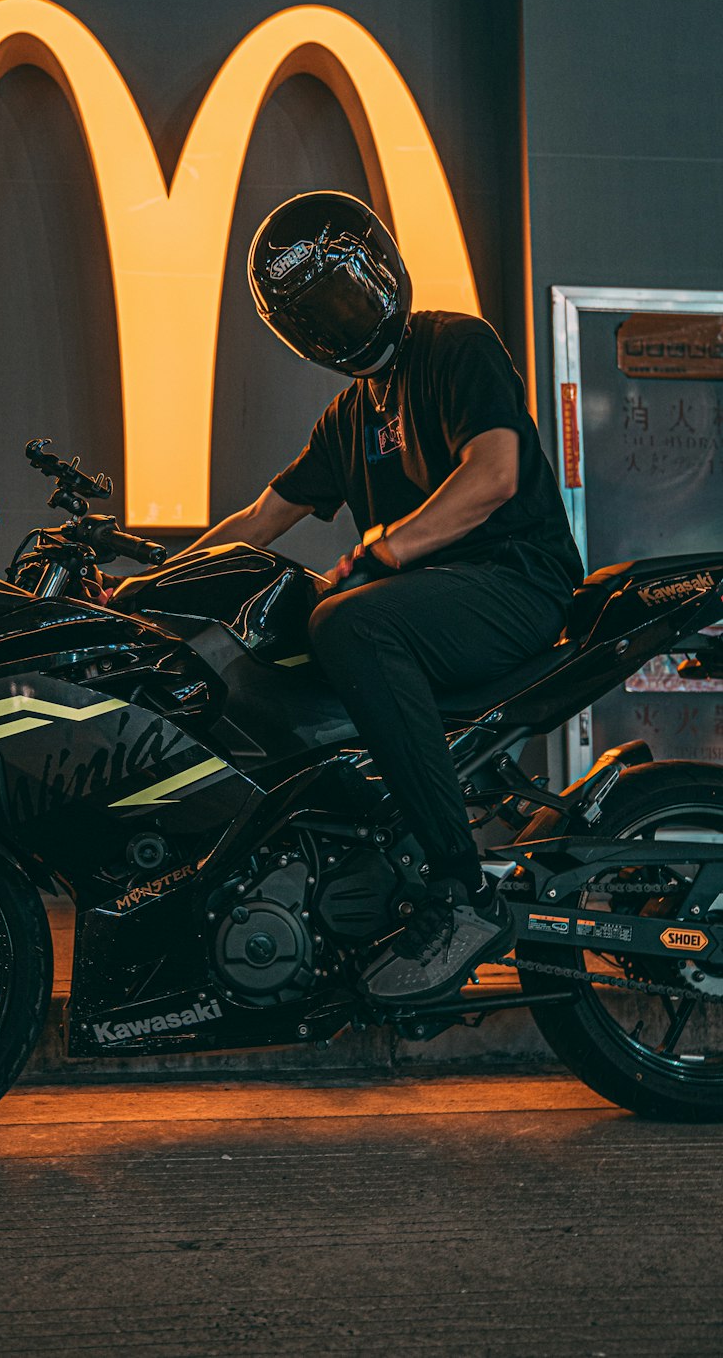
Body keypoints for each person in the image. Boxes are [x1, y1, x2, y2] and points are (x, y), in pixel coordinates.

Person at [183, 190, 584, 1003]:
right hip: (440, 602)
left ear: (385, 267)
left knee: (347, 622)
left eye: (345, 295)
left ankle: (464, 893)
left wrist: (384, 549)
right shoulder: (349, 416)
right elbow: (261, 518)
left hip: (518, 582)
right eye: (316, 316)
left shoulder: (456, 345)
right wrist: (149, 583)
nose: (340, 323)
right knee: (292, 631)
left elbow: (495, 474)